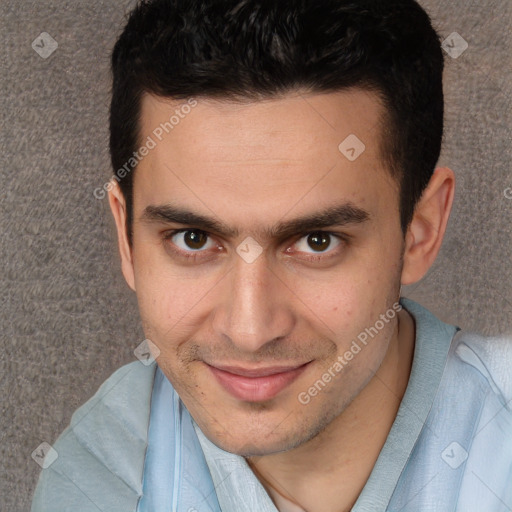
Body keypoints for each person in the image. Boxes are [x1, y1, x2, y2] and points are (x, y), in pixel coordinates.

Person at [31, 0, 512, 510]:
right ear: (126, 240)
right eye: (193, 239)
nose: (250, 330)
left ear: (420, 230)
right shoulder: (103, 473)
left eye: (316, 242)